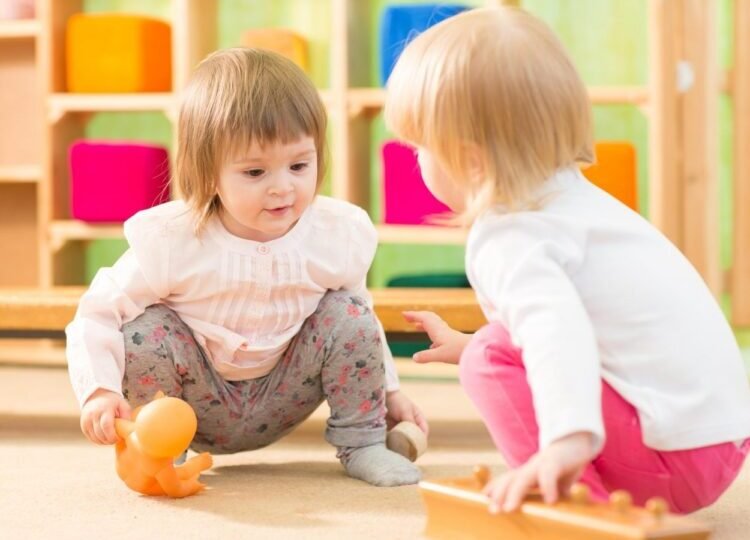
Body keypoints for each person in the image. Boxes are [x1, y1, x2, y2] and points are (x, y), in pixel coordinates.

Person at [384, 6, 750, 512]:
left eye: (419, 146)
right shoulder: (578, 206)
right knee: (489, 346)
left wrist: (565, 439)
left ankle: (570, 499)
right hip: (715, 442)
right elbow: (575, 328)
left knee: (490, 361)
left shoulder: (511, 233)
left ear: (468, 158)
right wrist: (468, 343)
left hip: (673, 457)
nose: (416, 159)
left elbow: (558, 333)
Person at [67, 47, 426, 487]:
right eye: (255, 172)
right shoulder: (173, 240)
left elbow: (360, 323)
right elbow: (97, 312)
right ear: (208, 174)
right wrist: (98, 390)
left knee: (349, 313)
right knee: (142, 328)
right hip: (191, 407)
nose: (282, 188)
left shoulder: (336, 233)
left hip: (284, 394)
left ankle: (364, 444)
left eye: (299, 165)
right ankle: (161, 453)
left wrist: (389, 391)